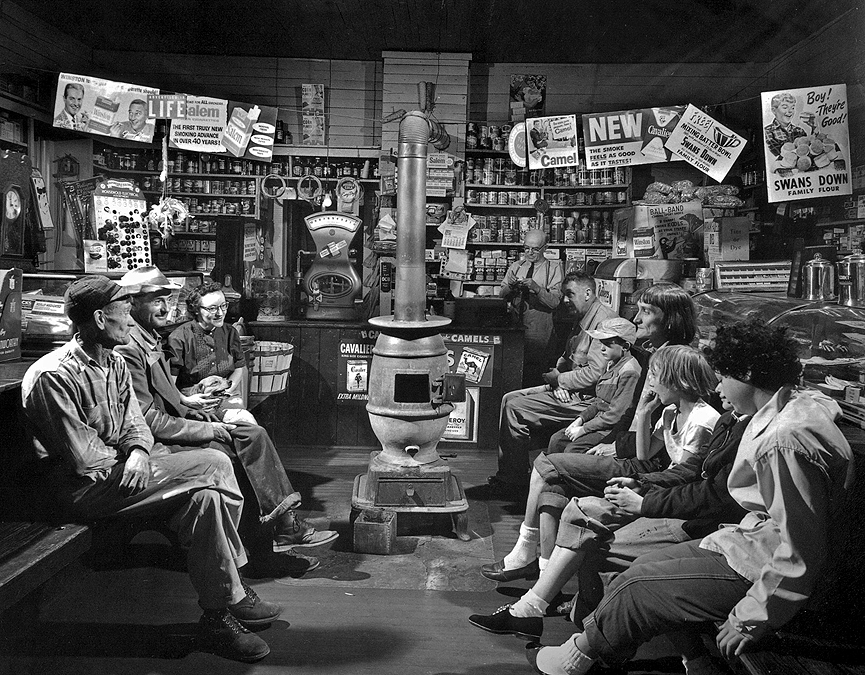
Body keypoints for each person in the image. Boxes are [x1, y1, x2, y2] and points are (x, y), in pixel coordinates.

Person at [527, 319, 854, 675]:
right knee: (641, 566)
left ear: (747, 374)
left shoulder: (782, 441)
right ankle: (665, 658)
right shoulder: (792, 407)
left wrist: (751, 617)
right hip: (748, 539)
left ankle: (577, 658)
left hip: (763, 562)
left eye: (724, 376)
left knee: (637, 586)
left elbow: (800, 550)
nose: (718, 386)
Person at [21, 275, 282, 662]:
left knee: (207, 500)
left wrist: (141, 452)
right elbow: (86, 460)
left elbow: (136, 424)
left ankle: (216, 618)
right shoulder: (54, 375)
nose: (130, 320)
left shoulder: (113, 362)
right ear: (99, 319)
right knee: (213, 462)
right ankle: (237, 587)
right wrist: (135, 456)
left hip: (125, 471)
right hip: (85, 489)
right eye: (124, 312)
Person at [468, 389, 748, 641]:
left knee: (584, 520)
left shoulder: (715, 421)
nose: (718, 388)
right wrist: (642, 482)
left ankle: (549, 615)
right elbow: (686, 471)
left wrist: (644, 501)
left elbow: (703, 491)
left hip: (690, 516)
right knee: (562, 492)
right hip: (662, 492)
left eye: (726, 378)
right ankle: (543, 599)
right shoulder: (727, 420)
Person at [114, 266, 337, 575]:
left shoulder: (150, 337)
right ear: (131, 304)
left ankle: (284, 525)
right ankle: (263, 553)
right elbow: (148, 419)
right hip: (158, 442)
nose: (165, 308)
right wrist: (206, 426)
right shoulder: (130, 347)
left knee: (254, 434)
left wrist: (191, 399)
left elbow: (168, 395)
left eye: (167, 299)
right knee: (234, 456)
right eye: (156, 301)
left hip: (182, 418)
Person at [482, 345, 717, 584]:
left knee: (546, 465)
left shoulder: (702, 420)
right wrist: (645, 413)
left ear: (677, 381)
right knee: (552, 487)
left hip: (665, 490)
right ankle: (543, 571)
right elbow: (644, 453)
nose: (651, 383)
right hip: (651, 474)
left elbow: (682, 476)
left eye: (656, 376)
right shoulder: (670, 412)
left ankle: (525, 552)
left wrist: (640, 484)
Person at [488, 272, 615, 495]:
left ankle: (513, 481)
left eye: (570, 294)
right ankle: (515, 474)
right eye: (564, 295)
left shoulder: (602, 321)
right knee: (510, 397)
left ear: (588, 293)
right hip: (568, 389)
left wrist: (561, 381)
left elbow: (595, 374)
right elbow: (567, 357)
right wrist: (558, 381)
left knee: (515, 408)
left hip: (588, 400)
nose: (564, 300)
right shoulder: (583, 316)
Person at [546, 282, 697, 455]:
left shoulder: (675, 362)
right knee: (558, 444)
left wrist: (616, 447)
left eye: (646, 311)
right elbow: (631, 411)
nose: (636, 319)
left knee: (564, 458)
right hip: (627, 439)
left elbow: (659, 430)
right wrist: (613, 441)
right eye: (638, 310)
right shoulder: (652, 353)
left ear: (670, 320)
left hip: (643, 452)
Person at [166, 279, 255, 425]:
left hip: (225, 398)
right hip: (191, 403)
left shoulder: (230, 332)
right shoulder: (180, 337)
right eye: (212, 308)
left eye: (223, 306)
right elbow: (168, 382)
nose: (220, 313)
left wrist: (224, 392)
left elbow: (239, 368)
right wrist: (187, 400)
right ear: (196, 310)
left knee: (247, 423)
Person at [499, 229, 564, 387]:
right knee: (512, 371)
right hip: (515, 327)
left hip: (539, 329)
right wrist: (510, 286)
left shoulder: (554, 268)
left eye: (535, 249)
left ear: (545, 248)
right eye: (526, 248)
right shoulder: (516, 266)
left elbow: (555, 302)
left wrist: (536, 288)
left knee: (535, 373)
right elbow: (501, 296)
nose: (529, 252)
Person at [764, 91, 807, 159]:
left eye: (792, 108)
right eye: (785, 107)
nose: (790, 111)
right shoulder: (767, 131)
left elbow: (807, 151)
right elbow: (777, 155)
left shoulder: (800, 131)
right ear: (774, 110)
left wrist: (814, 128)